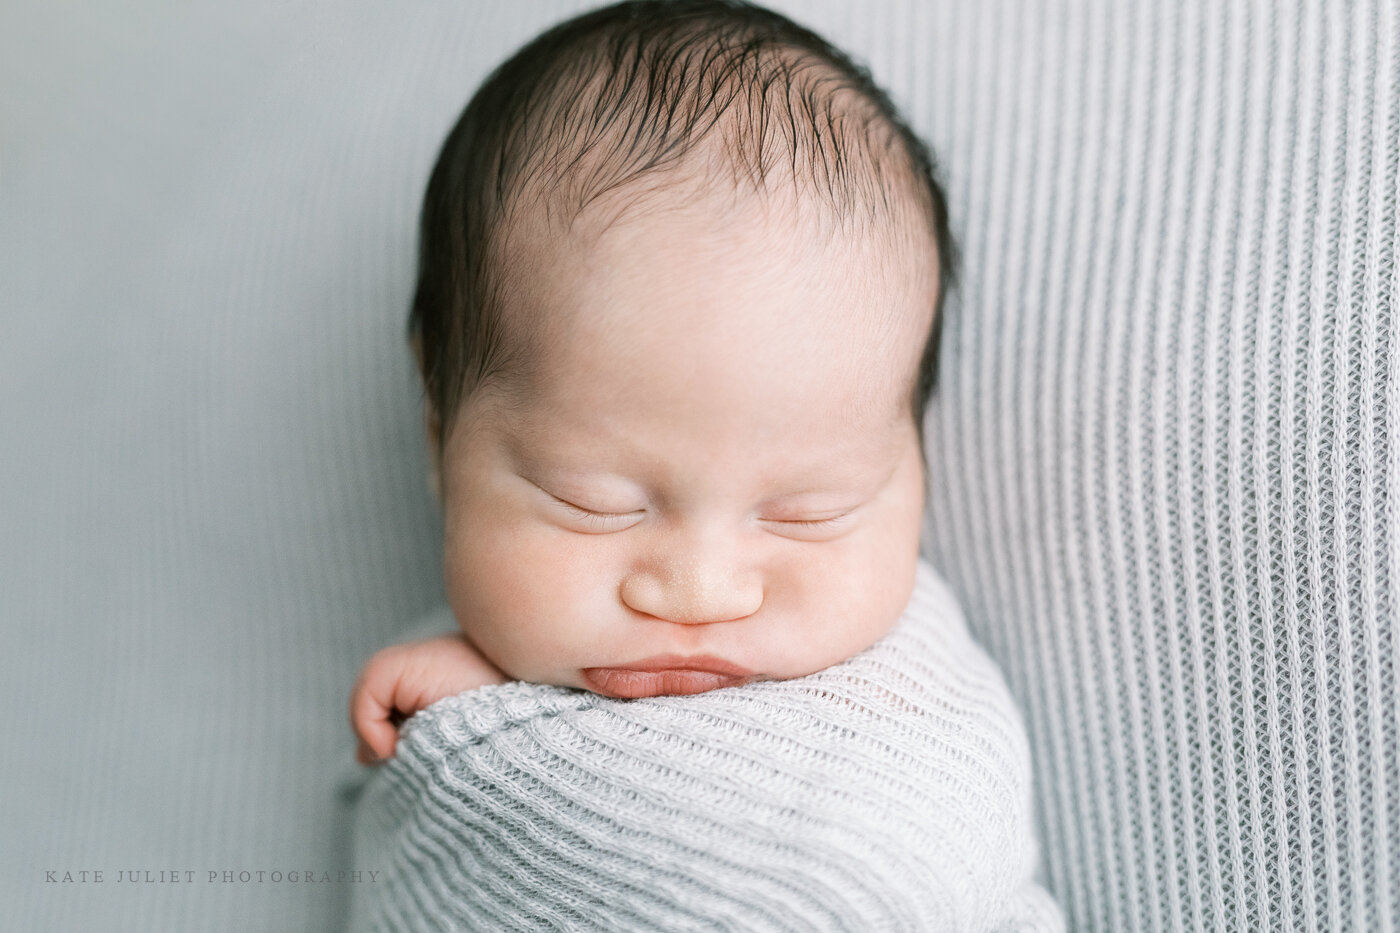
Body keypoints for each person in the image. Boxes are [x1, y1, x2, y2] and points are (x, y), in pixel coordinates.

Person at [350, 0, 957, 764]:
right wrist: (481, 718)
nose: (699, 593)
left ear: (914, 466)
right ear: (439, 433)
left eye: (808, 512)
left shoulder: (911, 700)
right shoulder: (435, 695)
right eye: (593, 503)